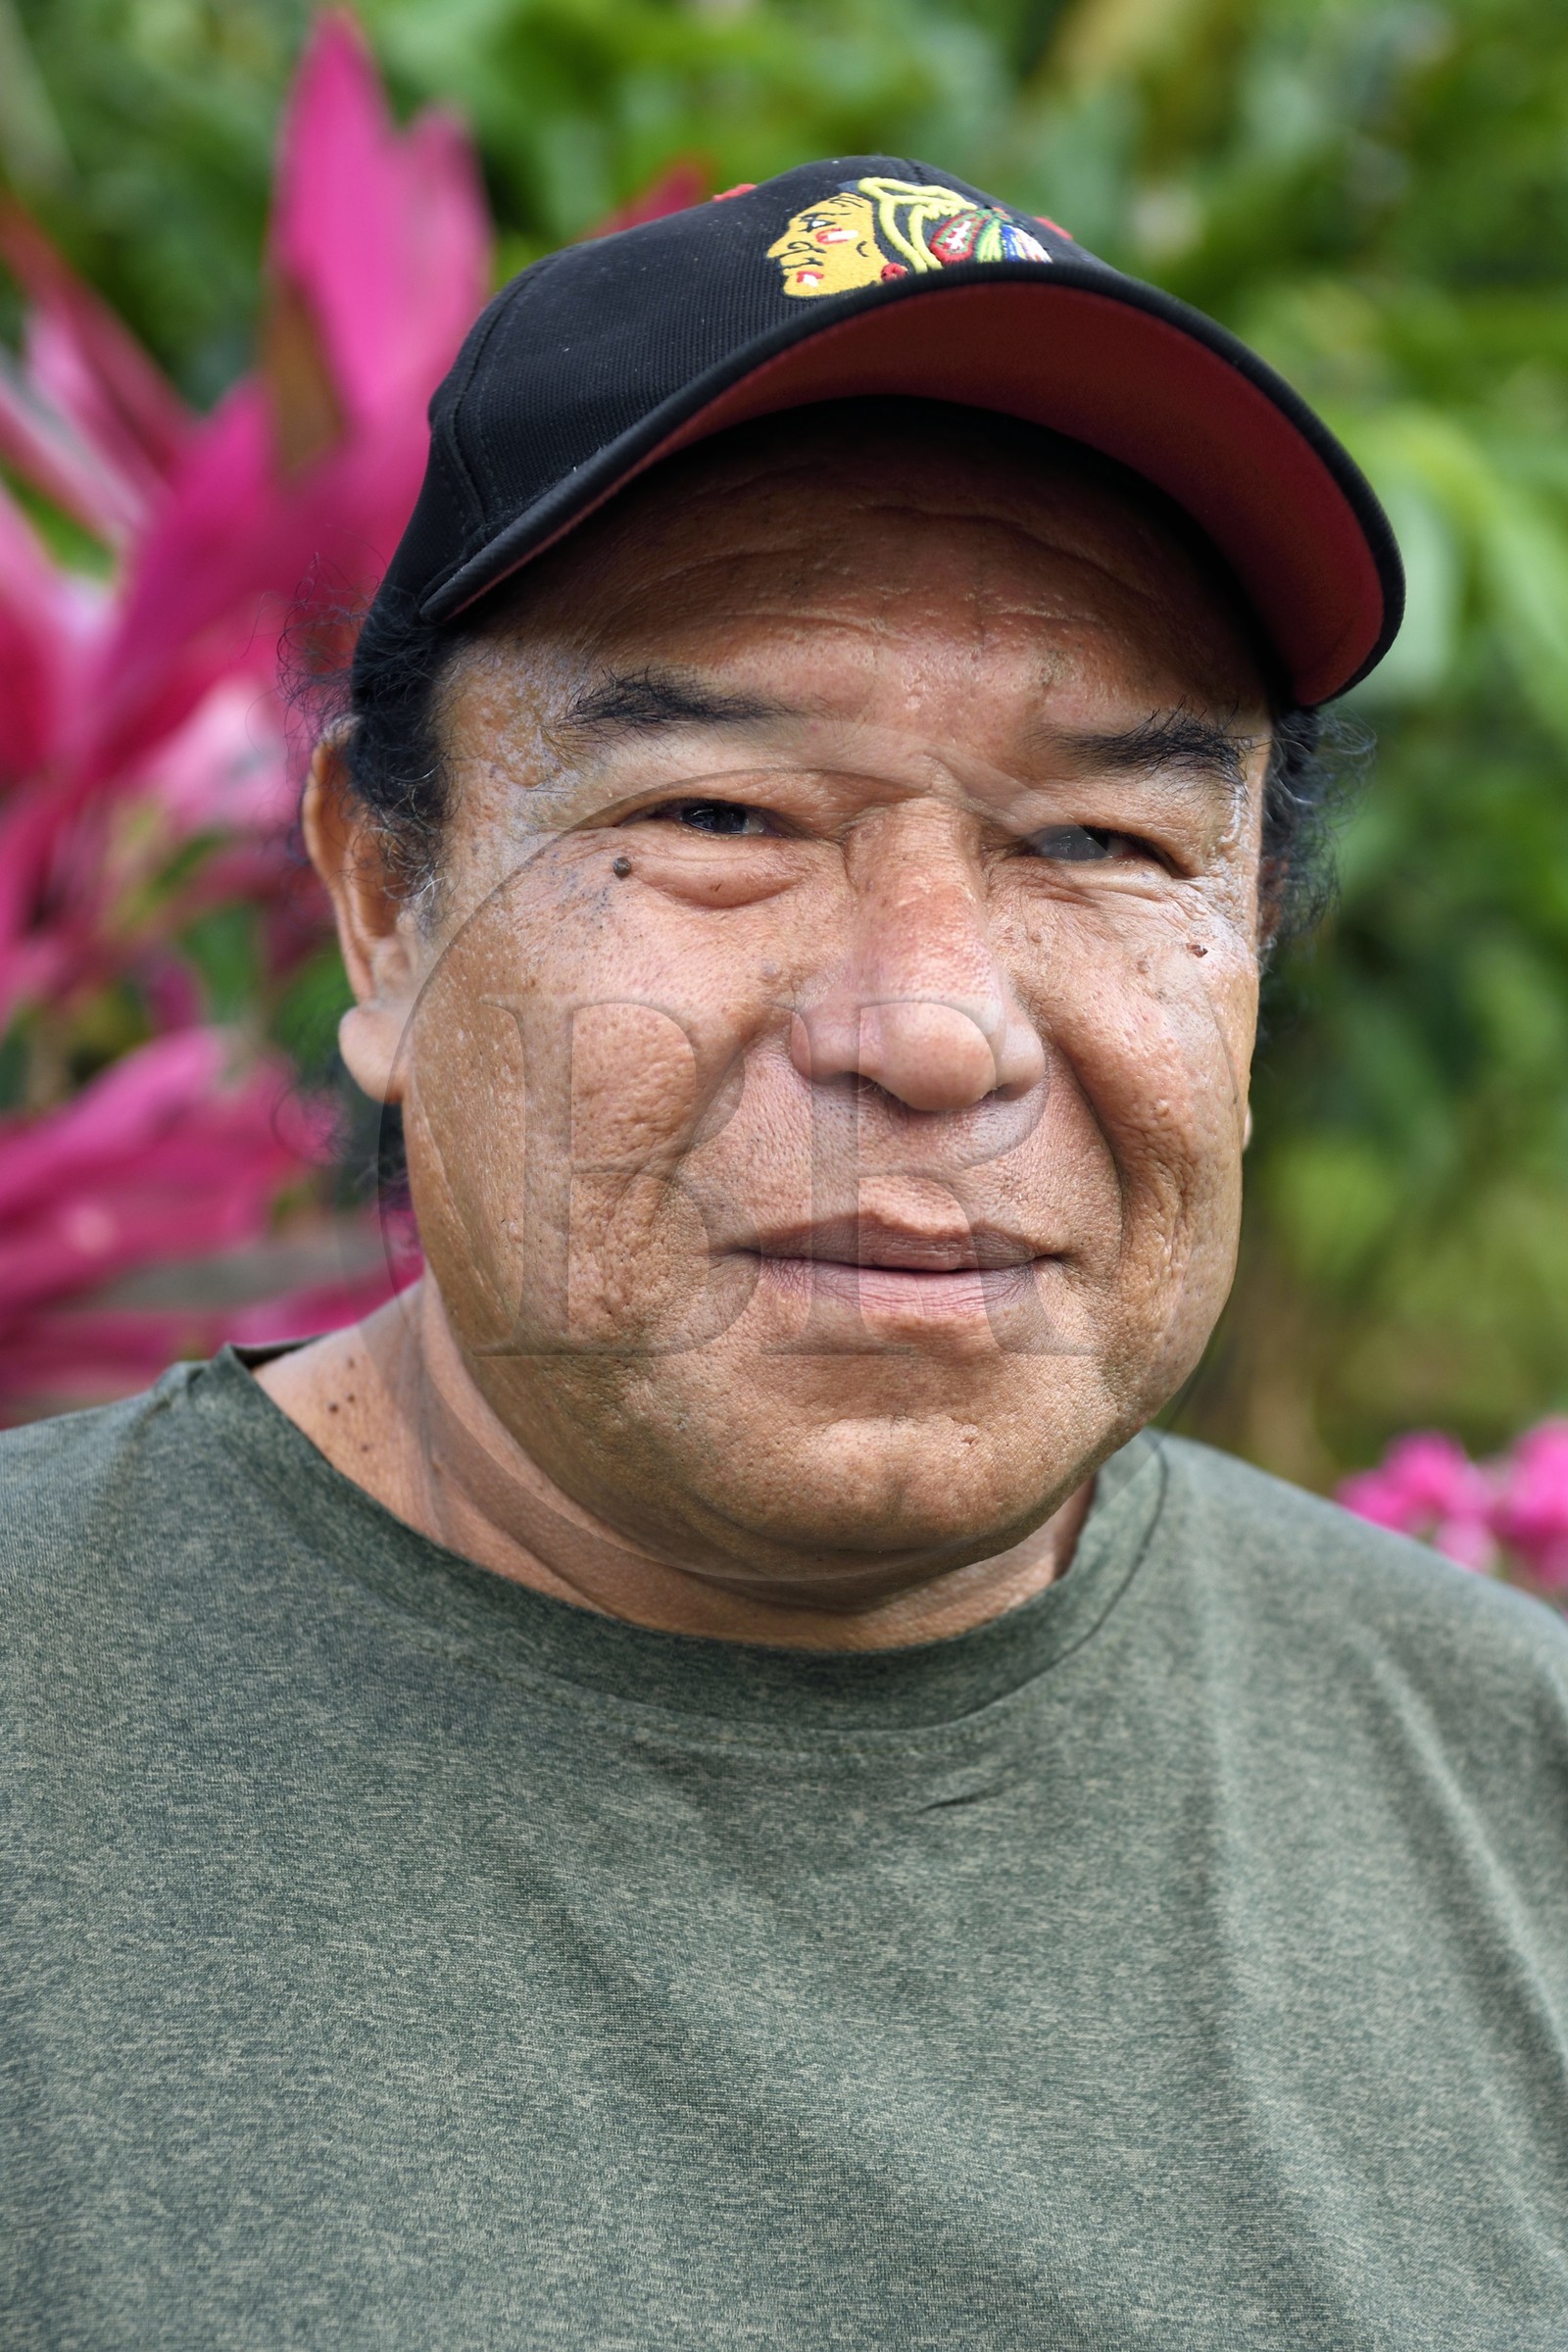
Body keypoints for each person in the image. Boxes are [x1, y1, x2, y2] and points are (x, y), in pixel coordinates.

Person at [4, 159, 1565, 2349]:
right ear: (383, 900)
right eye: (718, 818)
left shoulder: (1511, 1793)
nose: (927, 1026)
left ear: (1247, 958)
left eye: (1103, 843)